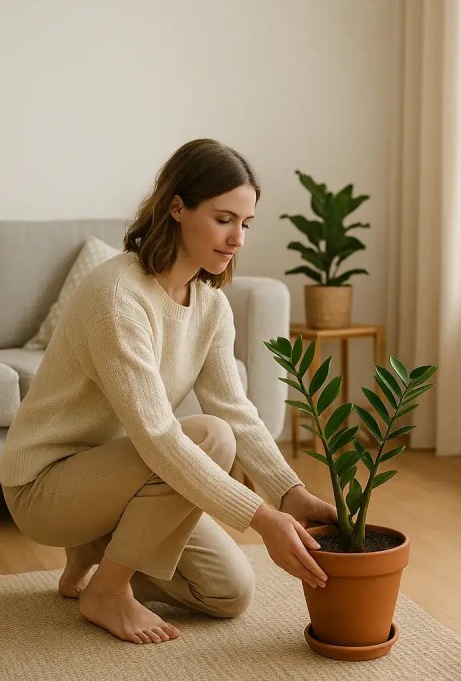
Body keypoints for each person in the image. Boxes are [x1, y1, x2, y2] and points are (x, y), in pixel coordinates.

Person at [0, 139, 338, 645]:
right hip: (44, 487)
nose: (237, 239)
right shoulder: (117, 296)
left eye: (246, 224)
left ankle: (95, 547)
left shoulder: (210, 306)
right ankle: (107, 592)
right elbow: (158, 436)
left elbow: (237, 410)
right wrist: (261, 518)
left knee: (227, 592)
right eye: (224, 219)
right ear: (177, 207)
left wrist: (290, 494)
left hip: (119, 481)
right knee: (210, 436)